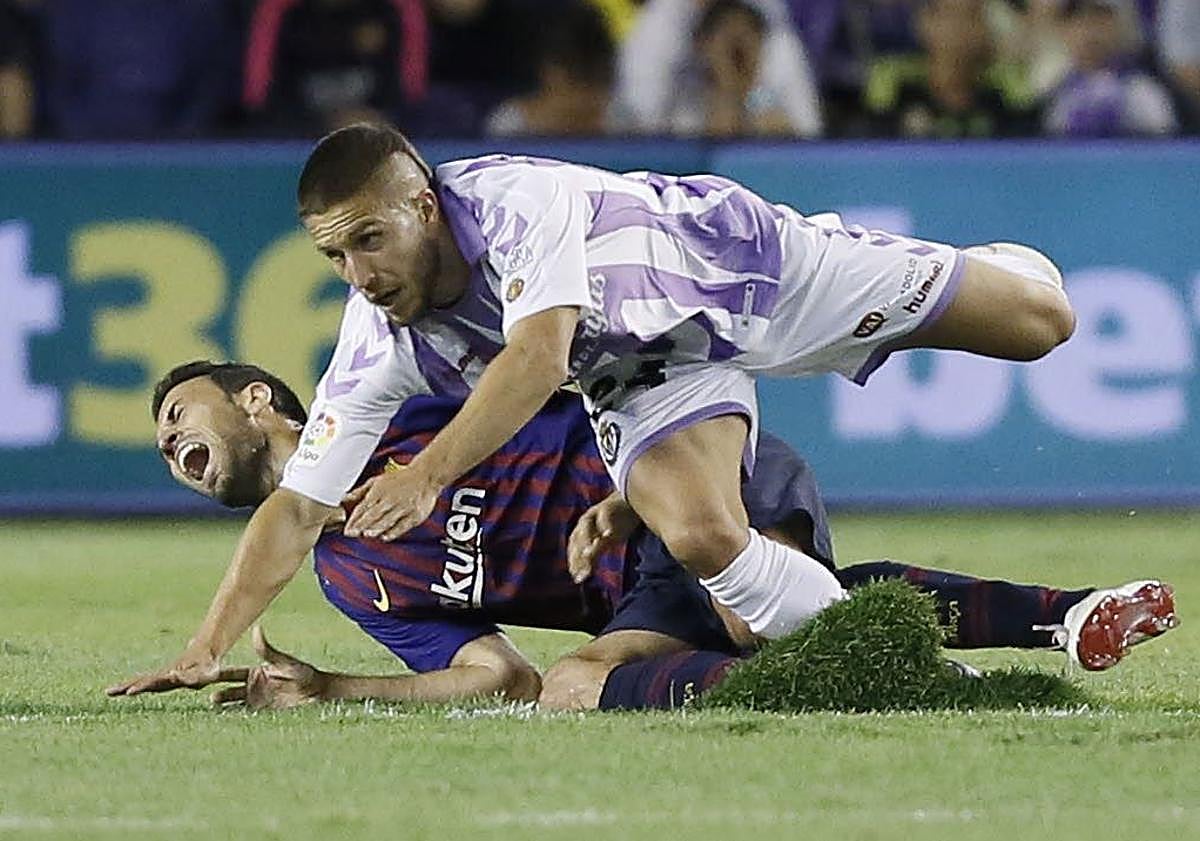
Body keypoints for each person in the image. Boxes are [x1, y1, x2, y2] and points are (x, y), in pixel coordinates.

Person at [109, 122, 1079, 696]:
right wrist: (207, 644)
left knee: (1045, 320)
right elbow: (297, 508)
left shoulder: (519, 201)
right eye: (334, 256)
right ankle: (927, 684)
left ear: (424, 205)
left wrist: (428, 473)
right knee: (702, 534)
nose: (359, 275)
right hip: (647, 369)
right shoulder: (378, 336)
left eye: (370, 240)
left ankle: (995, 265)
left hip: (745, 270)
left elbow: (535, 357)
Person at [118, 360, 1177, 711]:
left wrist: (631, 487)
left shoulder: (397, 391)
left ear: (257, 399)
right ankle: (1013, 647)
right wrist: (338, 690)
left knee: (725, 607)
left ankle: (1010, 646)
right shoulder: (352, 576)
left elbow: (574, 366)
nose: (174, 447)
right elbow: (498, 678)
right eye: (163, 452)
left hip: (686, 477)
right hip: (647, 602)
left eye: (180, 418)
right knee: (592, 680)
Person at [1043, 0, 1178, 137]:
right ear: (1061, 29)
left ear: (1122, 24)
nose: (1087, 31)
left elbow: (1165, 149)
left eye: (1099, 18)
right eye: (1075, 19)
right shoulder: (1052, 92)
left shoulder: (1142, 93)